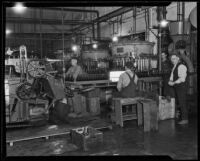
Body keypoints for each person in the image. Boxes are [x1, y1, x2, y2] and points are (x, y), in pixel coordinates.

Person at [168, 52, 188, 125]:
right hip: (178, 86)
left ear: (178, 58)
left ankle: (185, 119)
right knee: (180, 101)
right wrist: (170, 80)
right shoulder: (175, 66)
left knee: (182, 102)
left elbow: (182, 78)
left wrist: (174, 82)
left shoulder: (181, 66)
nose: (173, 60)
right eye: (171, 59)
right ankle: (183, 117)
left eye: (174, 59)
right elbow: (172, 75)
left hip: (182, 86)